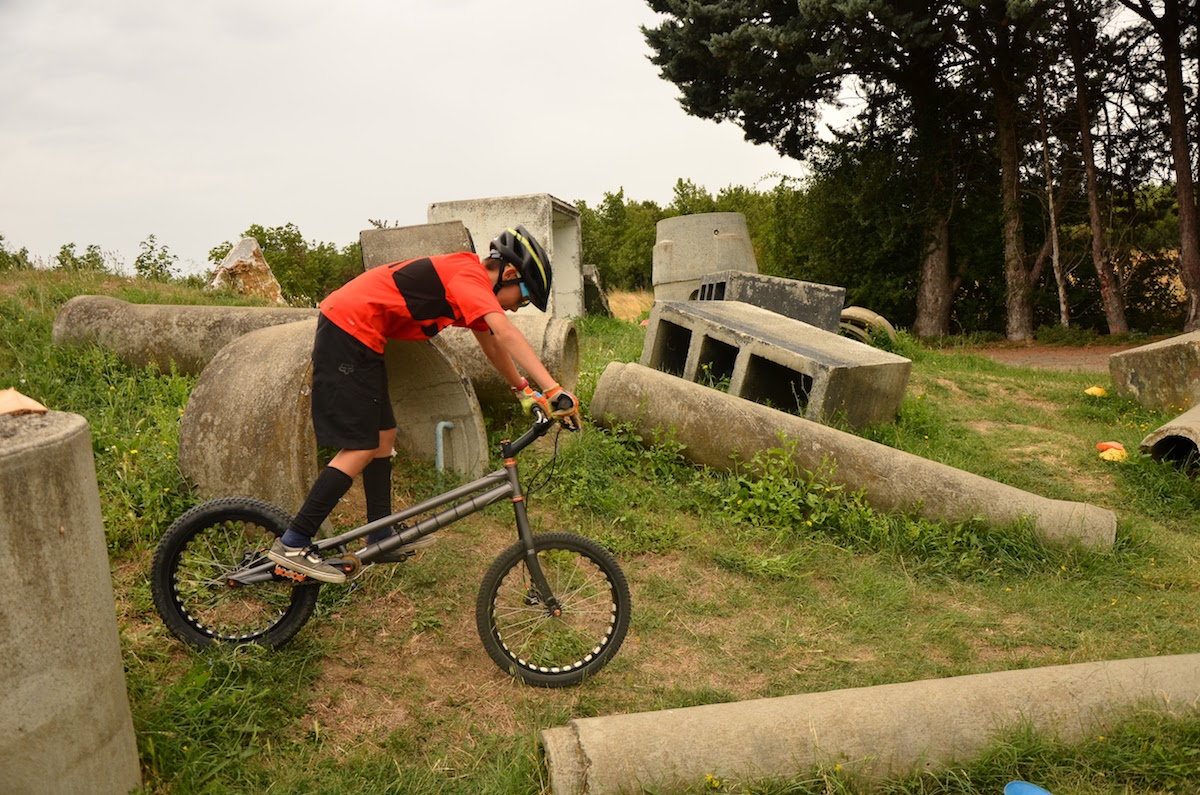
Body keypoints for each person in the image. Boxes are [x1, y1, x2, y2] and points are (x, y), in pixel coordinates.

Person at [268, 225, 580, 583]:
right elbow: (506, 334)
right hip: (349, 329)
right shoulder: (469, 277)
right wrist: (554, 388)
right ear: (509, 274)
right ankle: (293, 542)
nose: (514, 308)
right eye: (522, 298)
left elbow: (492, 342)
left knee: (385, 435)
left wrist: (522, 389)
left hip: (363, 335)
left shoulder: (469, 282)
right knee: (363, 445)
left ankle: (380, 535)